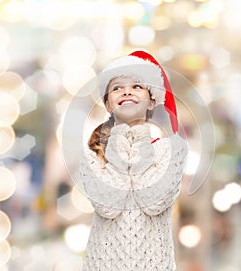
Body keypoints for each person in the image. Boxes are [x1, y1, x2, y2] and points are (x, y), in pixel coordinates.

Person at [78, 50, 188, 271]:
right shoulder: (93, 152)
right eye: (117, 87)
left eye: (137, 86)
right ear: (108, 104)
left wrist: (141, 141)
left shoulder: (170, 150)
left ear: (151, 101)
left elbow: (153, 202)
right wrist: (118, 140)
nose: (126, 91)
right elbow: (110, 205)